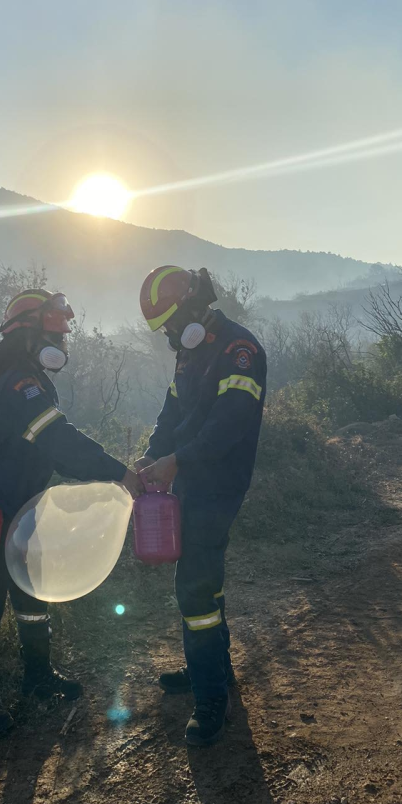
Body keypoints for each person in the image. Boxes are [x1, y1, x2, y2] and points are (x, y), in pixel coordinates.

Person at [0, 288, 142, 736]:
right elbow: (59, 441)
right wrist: (119, 473)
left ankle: (37, 679)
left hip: (23, 510)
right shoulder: (19, 382)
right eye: (56, 333)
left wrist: (101, 480)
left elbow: (53, 454)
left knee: (32, 596)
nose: (63, 342)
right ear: (29, 335)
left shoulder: (28, 378)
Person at [136, 266, 266, 746]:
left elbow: (228, 425)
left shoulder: (239, 350)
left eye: (171, 322)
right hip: (188, 479)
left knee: (194, 588)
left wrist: (178, 461)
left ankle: (211, 696)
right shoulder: (190, 354)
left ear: (193, 307)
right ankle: (213, 669)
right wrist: (155, 451)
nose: (169, 334)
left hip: (218, 485)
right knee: (202, 584)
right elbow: (173, 412)